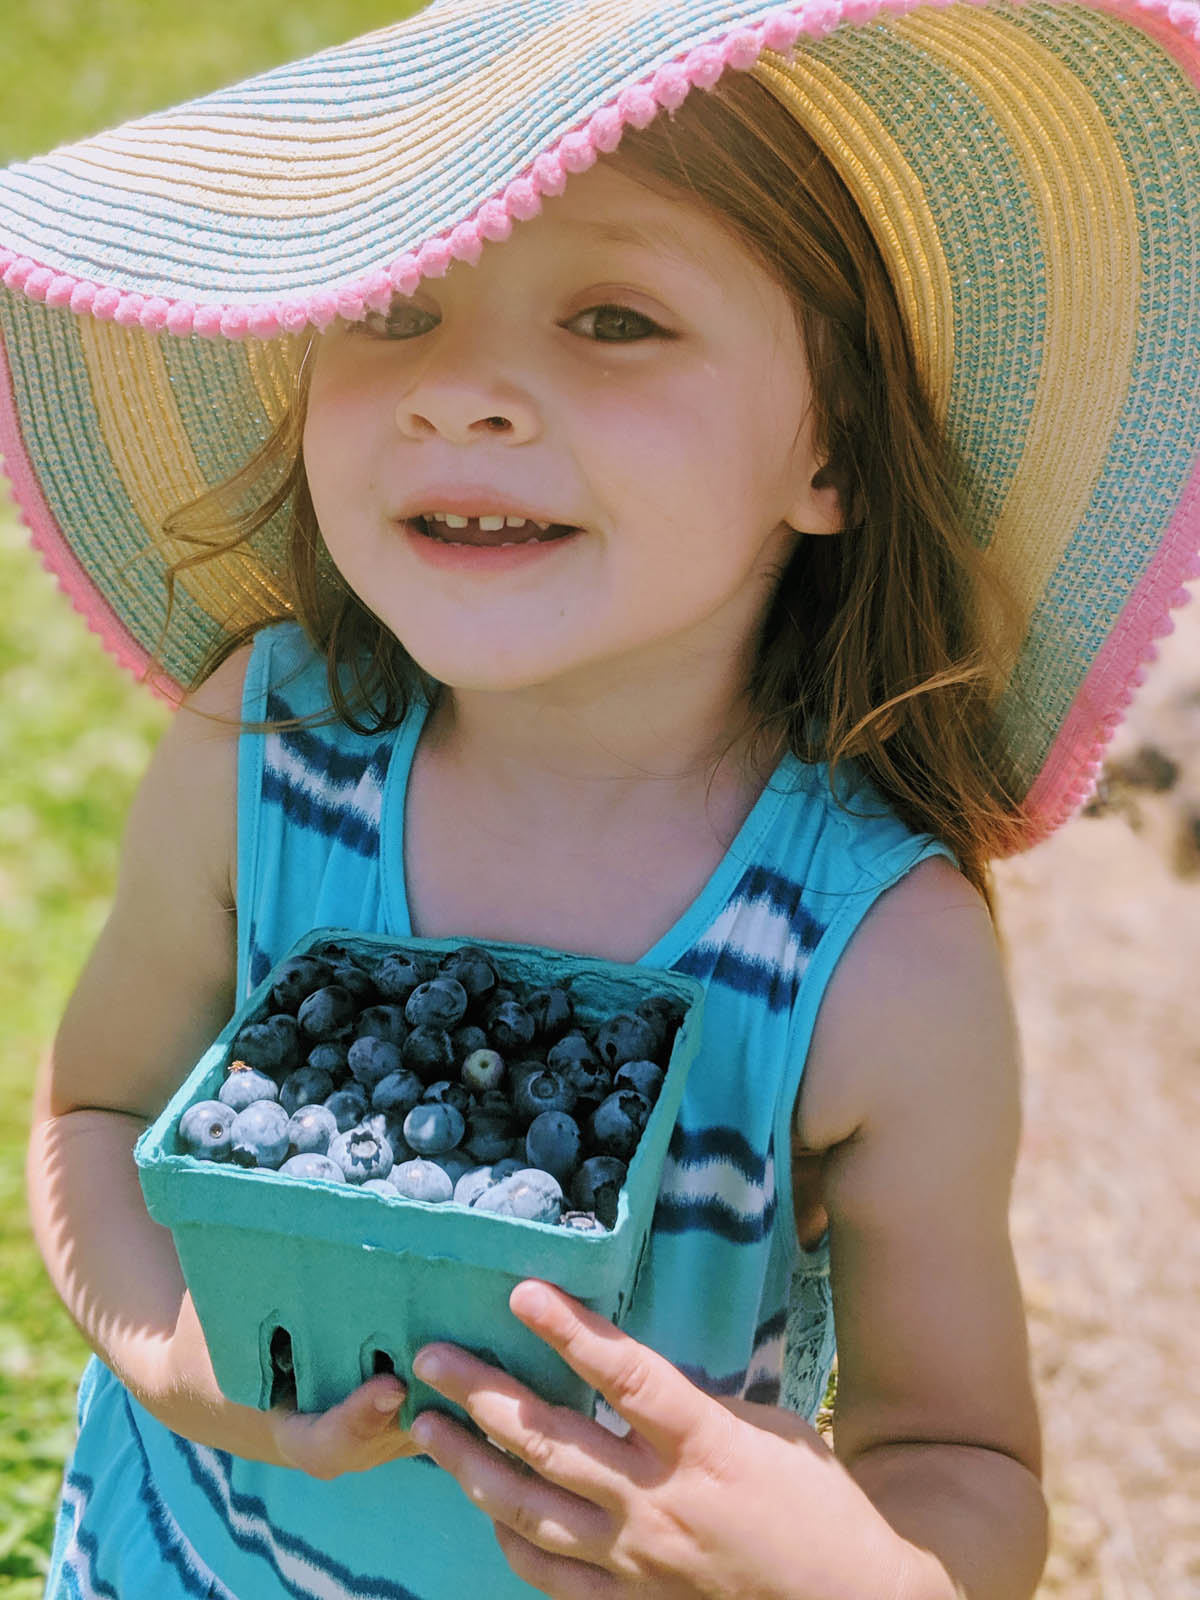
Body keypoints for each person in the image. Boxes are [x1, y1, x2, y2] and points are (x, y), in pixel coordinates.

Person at [4, 0, 1198, 1594]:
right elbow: (91, 1112)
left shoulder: (872, 962)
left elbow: (961, 1466)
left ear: (828, 448)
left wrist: (837, 1568)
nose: (464, 393)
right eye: (400, 303)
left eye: (616, 319)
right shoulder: (269, 751)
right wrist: (179, 1350)